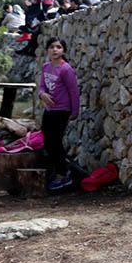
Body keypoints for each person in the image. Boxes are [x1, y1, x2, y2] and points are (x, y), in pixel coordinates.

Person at [39, 37, 80, 191]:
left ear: (63, 50)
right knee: (47, 142)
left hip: (62, 110)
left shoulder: (66, 69)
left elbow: (73, 91)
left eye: (58, 47)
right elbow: (42, 86)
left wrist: (75, 111)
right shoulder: (46, 67)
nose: (55, 50)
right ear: (47, 50)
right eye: (52, 47)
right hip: (49, 110)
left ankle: (64, 174)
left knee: (55, 142)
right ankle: (57, 172)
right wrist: (42, 95)